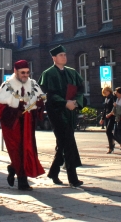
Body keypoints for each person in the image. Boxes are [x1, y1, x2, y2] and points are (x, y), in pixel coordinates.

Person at [0, 59, 45, 191]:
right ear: (15, 71)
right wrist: (15, 111)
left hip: (28, 123)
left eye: (27, 72)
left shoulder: (33, 84)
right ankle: (22, 181)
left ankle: (14, 169)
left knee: (27, 149)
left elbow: (40, 102)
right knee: (16, 151)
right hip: (12, 125)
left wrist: (39, 105)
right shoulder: (7, 85)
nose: (25, 75)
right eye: (23, 72)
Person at [39, 45, 85, 188]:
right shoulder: (48, 74)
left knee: (63, 143)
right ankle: (73, 178)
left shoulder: (72, 72)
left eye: (65, 55)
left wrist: (75, 102)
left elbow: (81, 89)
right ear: (54, 58)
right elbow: (48, 94)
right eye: (61, 55)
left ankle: (53, 172)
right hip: (57, 113)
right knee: (68, 142)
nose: (64, 57)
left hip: (70, 112)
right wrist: (65, 103)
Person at [99, 86, 116, 154]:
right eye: (104, 93)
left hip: (112, 116)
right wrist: (102, 118)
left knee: (108, 131)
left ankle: (111, 147)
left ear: (109, 91)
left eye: (105, 92)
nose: (105, 94)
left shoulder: (113, 97)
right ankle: (112, 143)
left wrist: (110, 114)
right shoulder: (106, 99)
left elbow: (114, 107)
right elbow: (105, 109)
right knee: (109, 132)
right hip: (107, 117)